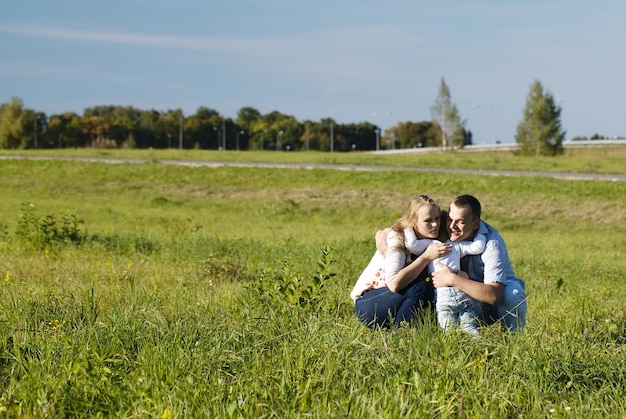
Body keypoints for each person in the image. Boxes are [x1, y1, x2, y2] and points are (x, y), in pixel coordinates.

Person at [350, 194, 451, 328]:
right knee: (419, 286)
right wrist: (426, 257)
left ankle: (422, 330)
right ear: (414, 221)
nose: (435, 224)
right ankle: (404, 335)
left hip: (395, 303)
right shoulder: (398, 237)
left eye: (437, 218)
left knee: (429, 289)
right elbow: (394, 284)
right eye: (428, 221)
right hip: (369, 303)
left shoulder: (431, 240)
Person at [430, 195, 527, 332]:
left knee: (512, 293)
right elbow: (411, 225)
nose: (452, 226)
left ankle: (513, 339)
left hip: (489, 302)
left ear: (476, 224)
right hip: (454, 298)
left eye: (460, 222)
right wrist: (388, 236)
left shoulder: (491, 242)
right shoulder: (440, 227)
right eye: (450, 219)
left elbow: (493, 296)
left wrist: (452, 279)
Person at [403, 221, 489, 335]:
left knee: (449, 331)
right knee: (469, 327)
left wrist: (408, 226)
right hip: (461, 291)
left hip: (443, 296)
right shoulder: (456, 245)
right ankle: (479, 345)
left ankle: (454, 349)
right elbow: (478, 247)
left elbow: (411, 244)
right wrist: (481, 230)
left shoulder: (430, 245)